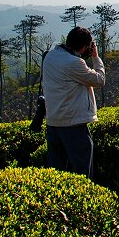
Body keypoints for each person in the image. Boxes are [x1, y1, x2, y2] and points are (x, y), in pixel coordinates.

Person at [41, 26, 105, 179]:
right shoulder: (74, 63)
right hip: (73, 125)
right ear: (84, 47)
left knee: (57, 174)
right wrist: (96, 57)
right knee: (82, 172)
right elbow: (99, 80)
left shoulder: (49, 56)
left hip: (53, 123)